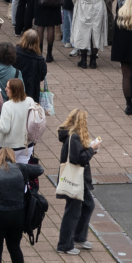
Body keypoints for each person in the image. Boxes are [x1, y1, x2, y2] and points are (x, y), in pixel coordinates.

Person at [55, 108, 99, 255]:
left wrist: (89, 149)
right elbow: (78, 158)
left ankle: (78, 236)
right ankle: (64, 245)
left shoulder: (71, 136)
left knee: (88, 205)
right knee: (72, 212)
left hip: (79, 180)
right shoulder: (74, 138)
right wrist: (91, 150)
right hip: (75, 180)